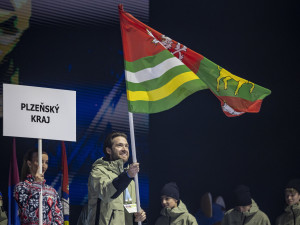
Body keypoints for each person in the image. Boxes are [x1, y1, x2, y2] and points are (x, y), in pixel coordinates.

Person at [87, 131, 146, 225]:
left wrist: (138, 214)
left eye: (126, 146)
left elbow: (129, 206)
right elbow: (106, 194)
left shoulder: (129, 179)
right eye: (120, 145)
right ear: (108, 150)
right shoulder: (98, 171)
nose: (124, 149)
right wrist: (127, 176)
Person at [14, 149, 63, 224]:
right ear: (29, 163)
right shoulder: (21, 187)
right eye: (40, 162)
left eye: (46, 162)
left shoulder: (52, 191)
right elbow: (29, 215)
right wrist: (36, 184)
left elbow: (59, 217)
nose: (44, 165)